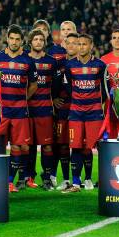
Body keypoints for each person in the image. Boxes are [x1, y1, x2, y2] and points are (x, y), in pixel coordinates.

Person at [0, 24, 38, 193]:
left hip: (20, 110)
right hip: (2, 110)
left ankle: (11, 181)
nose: (14, 42)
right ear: (7, 39)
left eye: (17, 39)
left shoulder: (27, 61)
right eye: (11, 38)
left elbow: (34, 85)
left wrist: (23, 98)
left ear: (21, 41)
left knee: (19, 146)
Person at [62, 34, 106, 193]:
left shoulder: (100, 65)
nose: (81, 47)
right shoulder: (69, 66)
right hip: (76, 113)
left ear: (91, 46)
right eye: (79, 44)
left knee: (93, 147)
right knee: (76, 146)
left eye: (84, 44)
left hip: (94, 113)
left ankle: (95, 179)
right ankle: (75, 183)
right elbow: (68, 87)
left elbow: (105, 90)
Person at [26, 28, 59, 190]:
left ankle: (46, 177)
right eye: (35, 39)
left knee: (47, 145)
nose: (38, 42)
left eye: (41, 40)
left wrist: (55, 100)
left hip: (45, 108)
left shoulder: (52, 62)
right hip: (27, 108)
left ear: (44, 43)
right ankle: (29, 176)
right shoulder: (24, 60)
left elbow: (57, 85)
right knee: (29, 145)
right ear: (30, 42)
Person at [50, 21, 77, 191]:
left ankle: (80, 178)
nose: (66, 34)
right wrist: (53, 99)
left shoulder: (87, 61)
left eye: (69, 31)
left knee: (79, 144)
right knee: (61, 144)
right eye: (64, 31)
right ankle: (65, 178)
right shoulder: (57, 61)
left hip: (80, 109)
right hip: (62, 109)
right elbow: (49, 83)